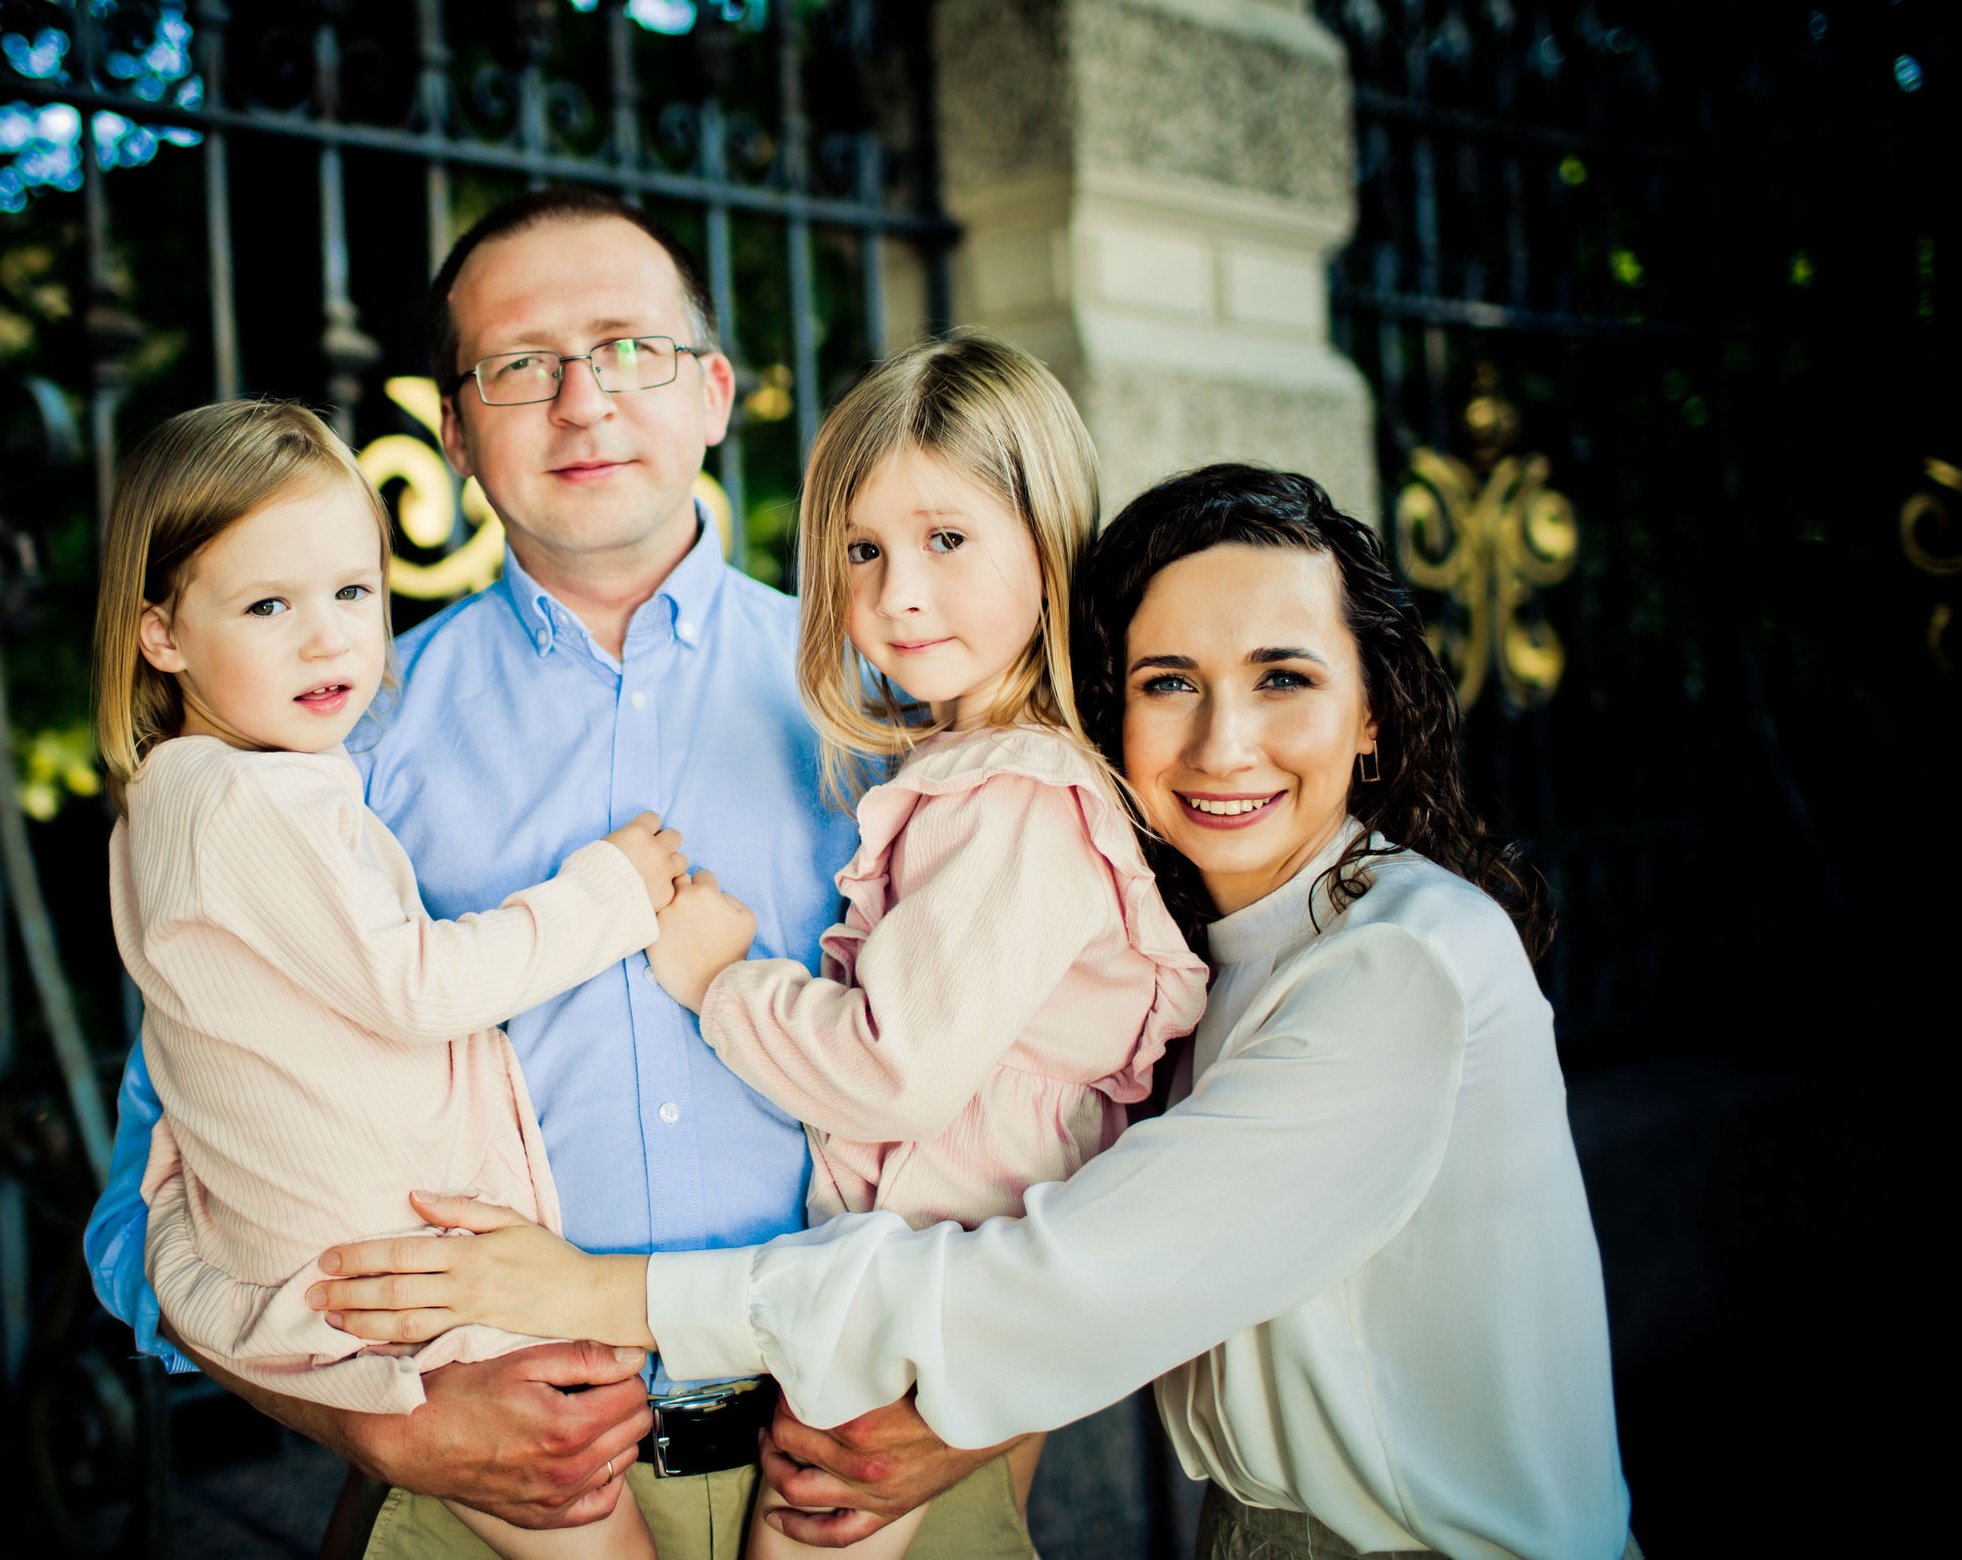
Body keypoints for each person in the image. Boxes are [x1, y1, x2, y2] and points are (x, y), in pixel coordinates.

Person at [312, 465, 1637, 1560]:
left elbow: (1063, 1276)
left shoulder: (1394, 966)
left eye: (1285, 676)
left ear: (1372, 712)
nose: (1225, 738)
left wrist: (602, 1289)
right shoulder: (1212, 943)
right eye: (1169, 679)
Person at [85, 189, 1034, 1558]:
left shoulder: (901, 708)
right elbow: (153, 1194)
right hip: (489, 1492)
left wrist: (992, 1415)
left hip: (877, 1460)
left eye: (629, 348)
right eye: (521, 363)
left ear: (714, 392)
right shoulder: (327, 743)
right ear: (457, 431)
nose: (582, 401)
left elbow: (1073, 1098)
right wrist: (382, 1427)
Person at [631, 334, 1207, 1556]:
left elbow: (898, 1071)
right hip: (925, 1288)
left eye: (947, 540)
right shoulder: (969, 772)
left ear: (1047, 548)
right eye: (863, 550)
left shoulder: (1015, 797)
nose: (898, 591)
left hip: (927, 1296)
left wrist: (719, 983)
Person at [93, 399, 699, 1559]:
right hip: (419, 1299)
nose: (326, 642)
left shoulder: (179, 801)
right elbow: (415, 986)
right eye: (268, 606)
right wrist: (609, 895)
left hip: (390, 1284)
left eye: (352, 595)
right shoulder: (251, 797)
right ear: (161, 635)